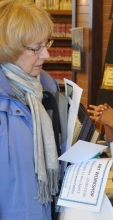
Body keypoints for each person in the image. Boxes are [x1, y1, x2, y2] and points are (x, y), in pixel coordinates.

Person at [0, 1, 68, 219]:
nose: (46, 54)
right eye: (35, 48)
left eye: (46, 43)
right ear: (9, 48)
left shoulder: (45, 93)